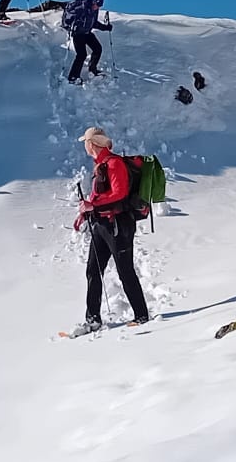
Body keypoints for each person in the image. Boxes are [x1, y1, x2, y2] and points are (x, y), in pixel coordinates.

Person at [70, 127, 150, 335]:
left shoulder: (114, 164)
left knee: (125, 271)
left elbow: (120, 193)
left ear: (92, 143)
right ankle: (93, 319)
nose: (85, 146)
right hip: (101, 225)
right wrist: (85, 213)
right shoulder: (101, 166)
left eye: (85, 142)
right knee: (93, 270)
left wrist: (93, 206)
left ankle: (141, 315)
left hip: (118, 225)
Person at [61, 0, 111, 83]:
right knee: (81, 55)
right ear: (94, 1)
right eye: (97, 4)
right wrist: (74, 25)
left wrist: (105, 27)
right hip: (77, 34)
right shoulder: (82, 7)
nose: (97, 7)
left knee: (97, 48)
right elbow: (71, 18)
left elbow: (94, 23)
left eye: (99, 5)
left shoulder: (95, 10)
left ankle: (92, 70)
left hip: (87, 33)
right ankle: (73, 77)